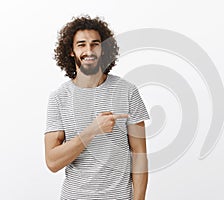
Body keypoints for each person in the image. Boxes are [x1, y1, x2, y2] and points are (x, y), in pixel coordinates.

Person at [44, 15, 149, 200]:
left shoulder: (127, 91)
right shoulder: (59, 98)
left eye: (95, 44)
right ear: (71, 51)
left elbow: (139, 154)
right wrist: (92, 130)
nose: (89, 50)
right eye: (81, 44)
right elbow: (52, 162)